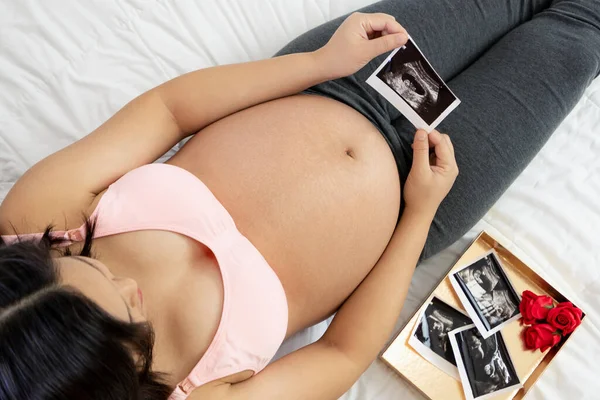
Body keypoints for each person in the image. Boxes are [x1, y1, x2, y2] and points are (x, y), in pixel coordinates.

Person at [0, 0, 598, 399]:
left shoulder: (32, 220)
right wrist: (419, 214)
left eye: (88, 262)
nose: (133, 289)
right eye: (134, 323)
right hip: (434, 187)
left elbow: (168, 110)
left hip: (338, 78)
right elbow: (340, 355)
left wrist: (320, 62)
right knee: (582, 30)